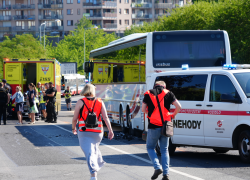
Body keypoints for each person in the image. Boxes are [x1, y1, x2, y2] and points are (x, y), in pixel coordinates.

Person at [72, 84, 114, 180]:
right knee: (93, 149)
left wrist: (73, 128)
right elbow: (106, 117)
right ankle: (97, 164)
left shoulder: (80, 102)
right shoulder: (100, 101)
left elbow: (74, 119)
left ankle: (93, 175)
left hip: (84, 131)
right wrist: (110, 131)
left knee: (89, 153)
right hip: (98, 131)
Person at [142, 81, 181, 180]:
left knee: (150, 147)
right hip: (165, 126)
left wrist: (149, 113)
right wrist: (173, 115)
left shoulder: (148, 93)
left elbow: (143, 109)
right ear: (164, 86)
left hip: (153, 126)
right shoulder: (169, 93)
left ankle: (157, 167)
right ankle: (166, 174)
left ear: (155, 86)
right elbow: (179, 106)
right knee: (164, 150)